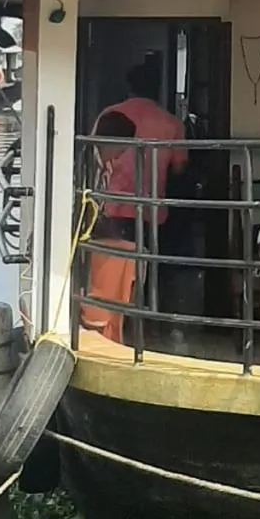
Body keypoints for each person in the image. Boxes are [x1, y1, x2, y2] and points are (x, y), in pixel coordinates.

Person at [81, 62, 187, 343]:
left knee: (114, 269)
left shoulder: (109, 114)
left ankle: (117, 325)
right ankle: (148, 325)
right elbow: (180, 167)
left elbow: (94, 150)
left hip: (111, 210)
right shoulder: (170, 122)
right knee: (149, 269)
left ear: (129, 87)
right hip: (153, 208)